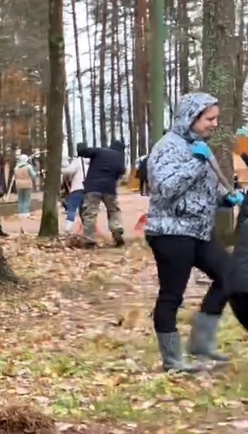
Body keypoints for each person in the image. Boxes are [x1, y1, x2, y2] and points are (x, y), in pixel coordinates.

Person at [143, 92, 244, 372]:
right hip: (170, 232)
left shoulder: (201, 146)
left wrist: (228, 198)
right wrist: (195, 162)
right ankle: (172, 360)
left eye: (216, 119)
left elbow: (209, 189)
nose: (214, 124)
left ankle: (201, 342)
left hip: (200, 232)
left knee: (229, 276)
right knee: (172, 294)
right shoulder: (168, 147)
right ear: (191, 117)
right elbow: (165, 188)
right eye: (209, 119)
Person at [78, 139, 128, 247]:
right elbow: (121, 171)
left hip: (92, 187)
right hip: (109, 188)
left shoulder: (99, 151)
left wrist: (81, 146)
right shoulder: (119, 158)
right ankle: (116, 229)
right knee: (113, 210)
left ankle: (89, 240)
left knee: (90, 213)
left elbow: (83, 152)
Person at [62, 152, 89, 233]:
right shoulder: (92, 162)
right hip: (89, 189)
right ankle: (87, 228)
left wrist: (67, 177)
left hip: (77, 188)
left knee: (72, 208)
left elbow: (68, 172)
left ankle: (68, 227)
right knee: (84, 210)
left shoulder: (78, 161)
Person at [12, 154, 37, 218]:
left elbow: (15, 176)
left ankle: (21, 212)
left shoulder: (16, 168)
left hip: (19, 184)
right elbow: (33, 175)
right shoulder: (28, 167)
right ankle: (26, 212)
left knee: (20, 199)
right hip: (27, 184)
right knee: (27, 198)